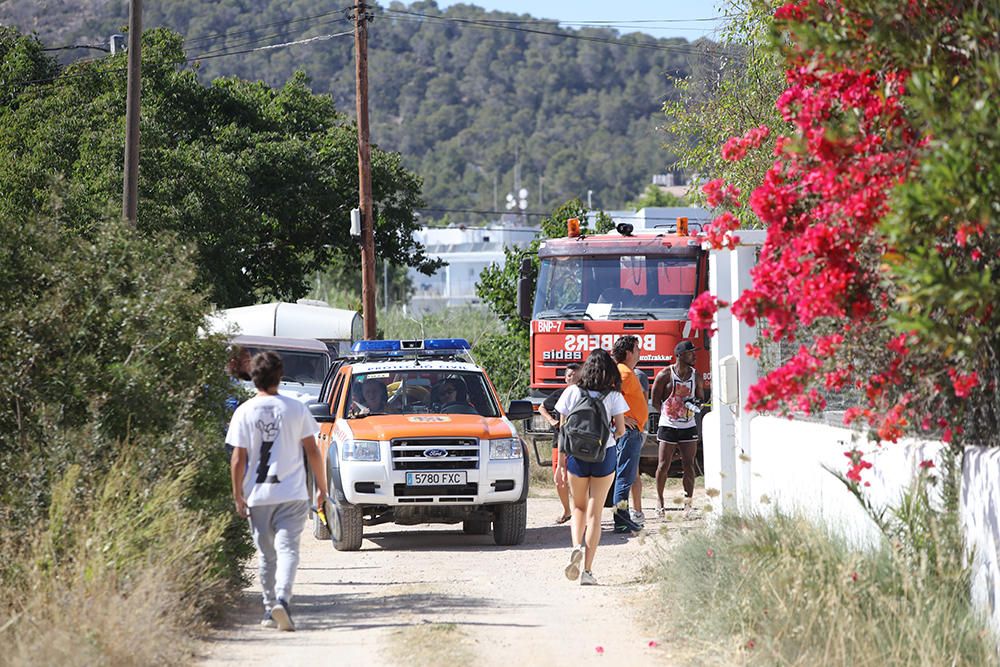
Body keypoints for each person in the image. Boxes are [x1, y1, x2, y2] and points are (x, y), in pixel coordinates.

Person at [227, 351, 327, 632]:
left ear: (254, 378)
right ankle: (283, 598)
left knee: (266, 555)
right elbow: (313, 452)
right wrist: (321, 488)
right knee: (288, 550)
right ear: (280, 376)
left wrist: (238, 495)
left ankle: (270, 609)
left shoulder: (244, 411)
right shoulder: (296, 408)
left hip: (257, 495)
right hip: (292, 493)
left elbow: (238, 459)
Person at [555, 349, 627, 586]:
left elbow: (563, 430)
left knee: (578, 507)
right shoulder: (614, 396)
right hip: (604, 454)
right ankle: (587, 571)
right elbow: (621, 430)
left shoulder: (572, 391)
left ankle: (576, 546)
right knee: (595, 514)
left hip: (576, 455)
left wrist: (560, 463)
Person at [651, 340, 705, 517]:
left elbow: (701, 398)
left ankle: (688, 503)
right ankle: (660, 500)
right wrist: (668, 414)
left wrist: (695, 403)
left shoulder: (696, 376)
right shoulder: (665, 375)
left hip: (688, 425)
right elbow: (656, 400)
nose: (695, 355)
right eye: (691, 353)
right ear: (681, 355)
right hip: (668, 425)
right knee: (663, 464)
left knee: (689, 465)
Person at [610, 335, 648, 533]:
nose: (640, 352)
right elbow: (608, 397)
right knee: (625, 476)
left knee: (626, 475)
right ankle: (621, 520)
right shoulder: (623, 372)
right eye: (637, 348)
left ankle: (623, 518)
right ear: (628, 353)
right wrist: (623, 418)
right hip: (628, 433)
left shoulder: (625, 371)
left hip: (632, 432)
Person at [538, 362, 581, 524]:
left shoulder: (585, 395)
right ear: (565, 378)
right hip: (560, 442)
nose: (572, 378)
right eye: (569, 375)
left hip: (579, 444)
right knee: (559, 479)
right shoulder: (559, 394)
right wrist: (552, 421)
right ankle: (567, 511)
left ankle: (580, 511)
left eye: (576, 375)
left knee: (577, 479)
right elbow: (542, 407)